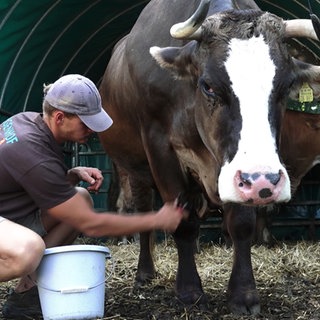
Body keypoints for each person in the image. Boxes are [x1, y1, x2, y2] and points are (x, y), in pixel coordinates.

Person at [0, 74, 187, 319]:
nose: (92, 130)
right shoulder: (31, 150)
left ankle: (25, 295)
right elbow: (91, 224)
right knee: (28, 251)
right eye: (86, 123)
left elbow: (30, 182)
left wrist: (71, 174)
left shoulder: (27, 121)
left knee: (80, 198)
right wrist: (158, 219)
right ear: (59, 117)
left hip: (8, 215)